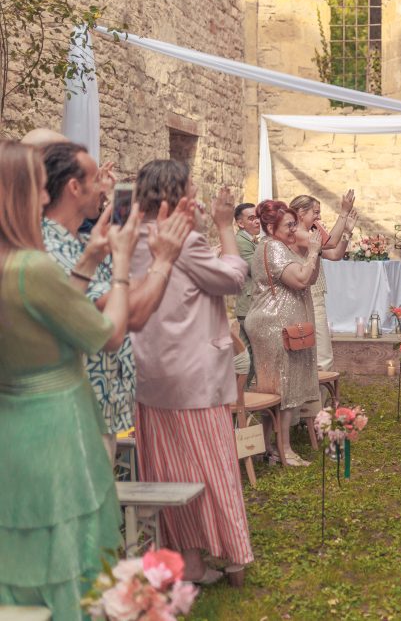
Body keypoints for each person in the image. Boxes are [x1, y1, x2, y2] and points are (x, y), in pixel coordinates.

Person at [0, 141, 139, 618]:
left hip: (12, 424)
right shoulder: (31, 266)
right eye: (38, 189)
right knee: (71, 547)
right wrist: (119, 263)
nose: (43, 199)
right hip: (58, 426)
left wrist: (85, 263)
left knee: (23, 552)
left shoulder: (12, 265)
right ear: (16, 193)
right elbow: (108, 334)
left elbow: (42, 319)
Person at [130, 160, 253, 585]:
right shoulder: (183, 241)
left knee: (168, 472)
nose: (198, 198)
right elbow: (234, 277)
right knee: (214, 468)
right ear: (175, 196)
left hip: (150, 372)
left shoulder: (128, 237)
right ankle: (235, 560)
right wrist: (223, 227)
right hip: (193, 375)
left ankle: (191, 564)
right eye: (191, 190)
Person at [41, 142, 193, 460]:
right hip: (78, 410)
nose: (107, 187)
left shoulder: (84, 242)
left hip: (100, 407)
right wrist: (162, 263)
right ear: (73, 187)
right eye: (98, 179)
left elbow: (123, 296)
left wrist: (156, 262)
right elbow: (124, 320)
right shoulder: (51, 247)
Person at [246, 200, 322, 467]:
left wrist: (314, 255)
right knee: (284, 387)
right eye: (288, 224)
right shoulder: (274, 247)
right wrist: (312, 252)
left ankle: (267, 447)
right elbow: (301, 279)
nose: (294, 229)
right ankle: (285, 449)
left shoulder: (275, 246)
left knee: (274, 389)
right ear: (270, 226)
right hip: (274, 325)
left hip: (276, 323)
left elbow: (308, 277)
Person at [288, 192, 357, 371]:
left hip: (315, 295)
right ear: (301, 213)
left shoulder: (311, 233)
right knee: (321, 355)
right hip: (305, 296)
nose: (319, 216)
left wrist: (347, 233)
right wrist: (343, 212)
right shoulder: (296, 234)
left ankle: (320, 396)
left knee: (319, 351)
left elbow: (334, 255)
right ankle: (320, 397)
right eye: (316, 212)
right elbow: (331, 243)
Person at [234, 202, 260, 388]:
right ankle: (239, 404)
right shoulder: (241, 242)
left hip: (250, 306)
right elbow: (257, 270)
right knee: (249, 358)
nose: (257, 221)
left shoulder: (250, 240)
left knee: (249, 357)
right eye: (251, 218)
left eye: (258, 216)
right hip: (249, 305)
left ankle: (240, 404)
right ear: (240, 223)